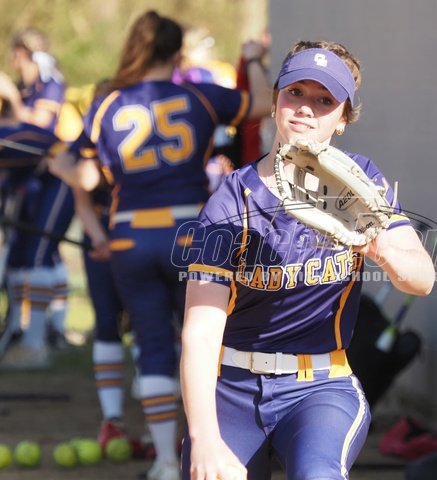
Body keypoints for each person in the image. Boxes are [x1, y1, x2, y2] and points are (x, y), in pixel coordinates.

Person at [179, 40, 436, 480]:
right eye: (295, 92)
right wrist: (203, 437)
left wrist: (376, 245)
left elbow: (422, 279)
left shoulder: (359, 185)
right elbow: (201, 334)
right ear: (275, 100)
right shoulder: (232, 200)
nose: (304, 109)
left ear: (343, 119)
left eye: (324, 101)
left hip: (320, 387)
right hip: (232, 387)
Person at [48, 11, 271, 480]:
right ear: (177, 53)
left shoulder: (107, 103)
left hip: (129, 234)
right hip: (191, 232)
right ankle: (209, 450)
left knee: (152, 345)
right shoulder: (199, 95)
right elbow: (260, 105)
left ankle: (166, 460)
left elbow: (84, 177)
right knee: (205, 341)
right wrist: (253, 58)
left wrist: (61, 167)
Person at [0, 27, 75, 368]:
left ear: (22, 53)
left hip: (57, 175)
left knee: (39, 255)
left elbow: (41, 128)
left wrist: (12, 100)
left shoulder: (49, 81)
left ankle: (39, 341)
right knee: (19, 256)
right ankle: (18, 331)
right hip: (29, 179)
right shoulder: (27, 86)